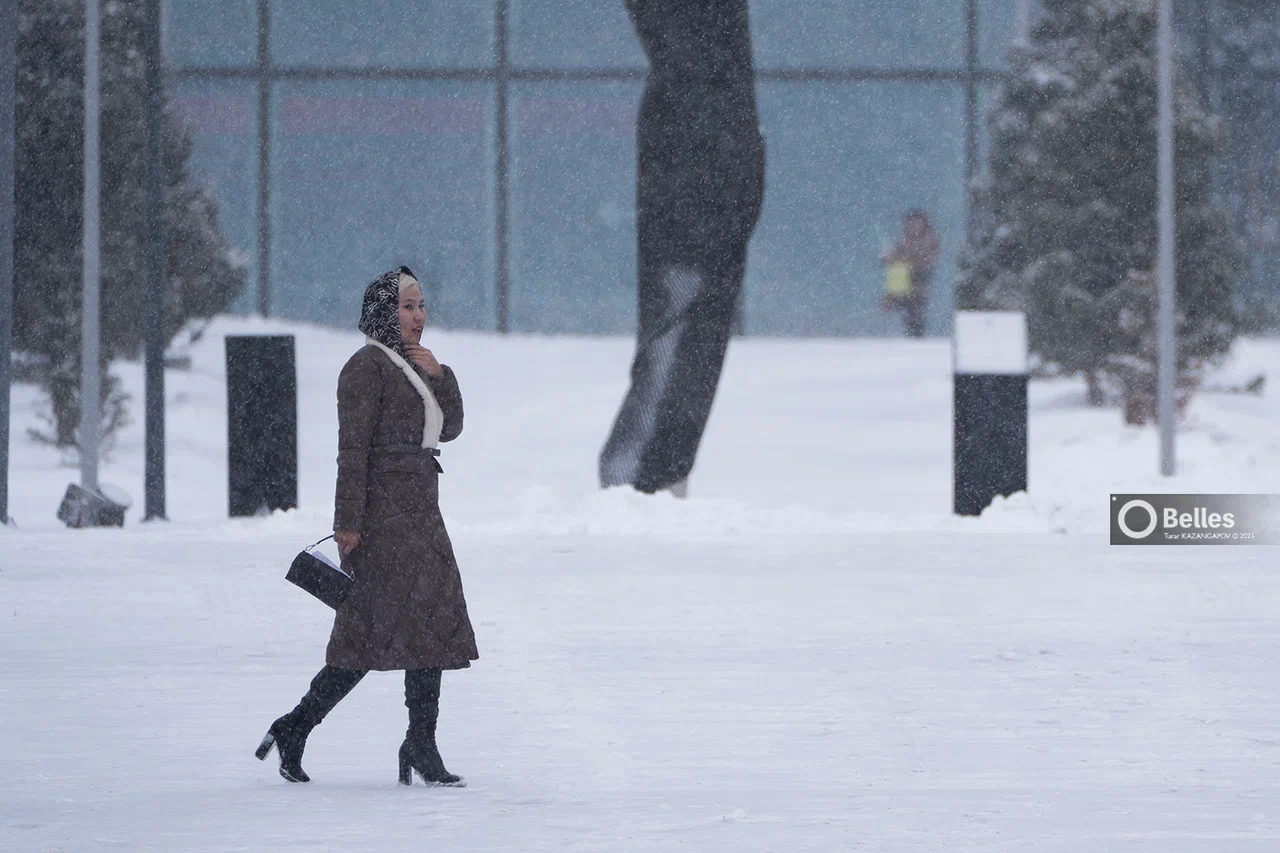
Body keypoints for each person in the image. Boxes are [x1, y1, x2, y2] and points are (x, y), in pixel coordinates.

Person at [254, 266, 478, 786]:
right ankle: (296, 726)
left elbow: (452, 428)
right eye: (407, 306)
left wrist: (441, 376)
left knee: (430, 630)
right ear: (383, 313)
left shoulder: (413, 365)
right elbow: (351, 451)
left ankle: (420, 743)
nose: (419, 316)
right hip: (383, 521)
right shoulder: (365, 367)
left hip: (421, 513)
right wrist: (347, 524)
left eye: (421, 305)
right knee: (362, 640)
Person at [598, 0, 766, 497]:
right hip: (699, 198)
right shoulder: (697, 82)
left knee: (687, 339)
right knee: (680, 337)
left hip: (706, 187)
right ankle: (639, 480)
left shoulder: (703, 79)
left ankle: (647, 477)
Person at [881, 209, 941, 338]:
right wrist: (891, 258)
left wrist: (907, 260)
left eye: (916, 223)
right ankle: (909, 327)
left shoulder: (928, 237)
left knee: (916, 303)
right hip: (907, 276)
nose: (914, 226)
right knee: (906, 302)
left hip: (921, 275)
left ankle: (916, 331)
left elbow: (929, 257)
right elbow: (900, 252)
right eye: (911, 223)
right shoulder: (906, 237)